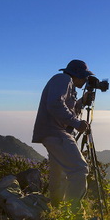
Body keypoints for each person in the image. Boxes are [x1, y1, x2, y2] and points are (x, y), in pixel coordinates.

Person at [32, 59, 93, 209]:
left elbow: (63, 107)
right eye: (84, 77)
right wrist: (77, 124)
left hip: (52, 132)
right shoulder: (63, 79)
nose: (85, 81)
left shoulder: (65, 83)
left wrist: (80, 102)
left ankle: (57, 207)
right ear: (77, 74)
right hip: (56, 132)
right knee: (79, 169)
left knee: (59, 174)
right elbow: (54, 104)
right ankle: (73, 213)